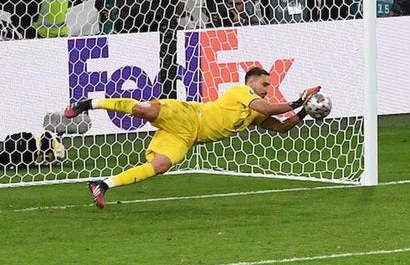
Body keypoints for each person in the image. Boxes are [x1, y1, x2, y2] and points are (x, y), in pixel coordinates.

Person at [65, 68, 321, 209]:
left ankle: (102, 184)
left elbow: (280, 127)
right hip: (188, 115)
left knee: (161, 166)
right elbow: (267, 109)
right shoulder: (240, 92)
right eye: (265, 85)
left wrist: (304, 112)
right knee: (144, 110)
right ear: (252, 82)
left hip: (188, 137)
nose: (268, 90)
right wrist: (297, 100)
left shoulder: (253, 114)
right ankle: (88, 103)